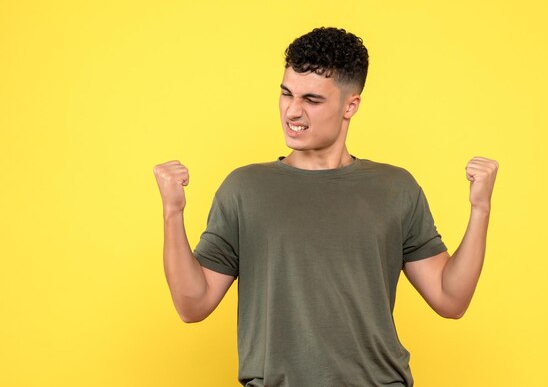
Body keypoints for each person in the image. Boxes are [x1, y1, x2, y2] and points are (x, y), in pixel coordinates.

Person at [153, 27, 499, 387]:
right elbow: (192, 306)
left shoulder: (395, 188)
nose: (293, 111)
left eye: (312, 100)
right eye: (286, 94)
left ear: (350, 105)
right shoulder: (245, 189)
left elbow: (450, 299)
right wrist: (172, 213)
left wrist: (480, 210)